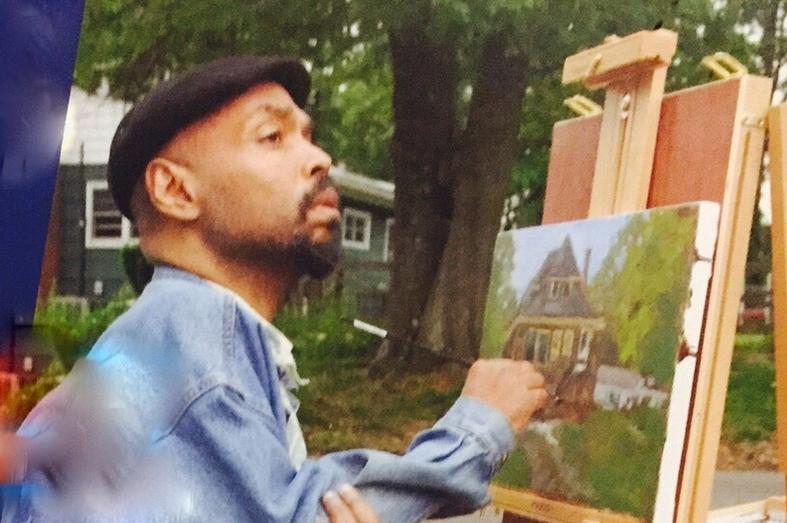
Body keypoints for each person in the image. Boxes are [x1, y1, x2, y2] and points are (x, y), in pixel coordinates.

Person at [0, 56, 547, 522]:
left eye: (308, 136)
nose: (319, 159)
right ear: (176, 190)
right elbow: (304, 514)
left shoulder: (165, 340)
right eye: (272, 137)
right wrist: (480, 424)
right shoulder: (192, 340)